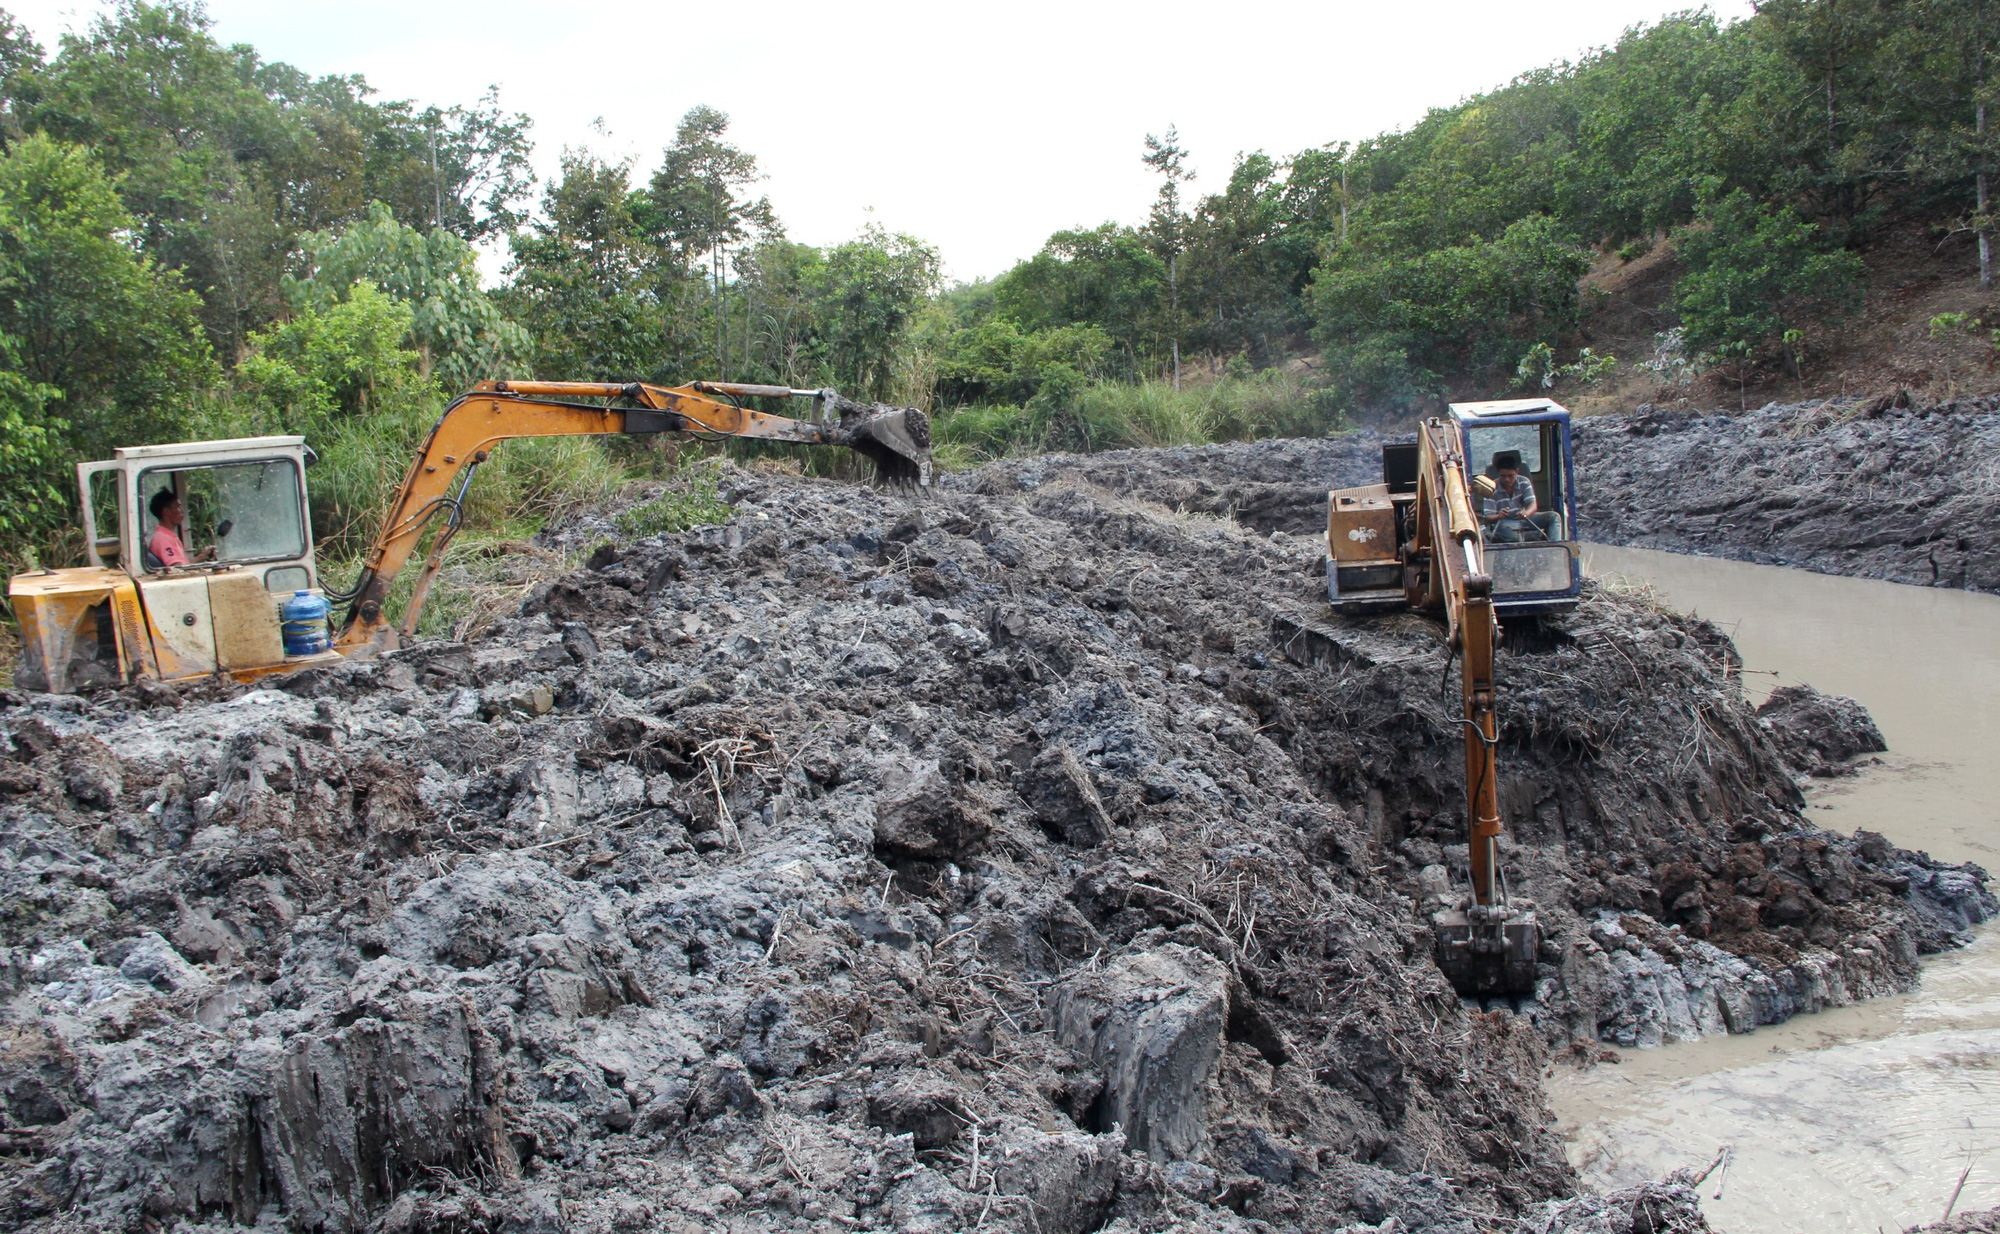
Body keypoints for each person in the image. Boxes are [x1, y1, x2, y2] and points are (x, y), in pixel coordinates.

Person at [1479, 451, 1557, 543]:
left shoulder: (1524, 482)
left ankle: (1555, 546)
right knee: (1511, 537)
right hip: (1504, 523)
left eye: (1510, 476)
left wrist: (1526, 513)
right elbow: (1488, 517)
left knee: (1553, 517)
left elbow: (1533, 504)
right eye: (1503, 476)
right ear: (1498, 474)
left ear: (1517, 472)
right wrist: (1498, 516)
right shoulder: (1491, 488)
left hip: (1525, 519)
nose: (1507, 479)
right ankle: (1532, 537)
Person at [145, 488, 215, 569]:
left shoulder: (169, 536)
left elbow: (182, 564)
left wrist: (202, 556)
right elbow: (178, 568)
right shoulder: (163, 539)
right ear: (166, 512)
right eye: (178, 507)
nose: (182, 511)